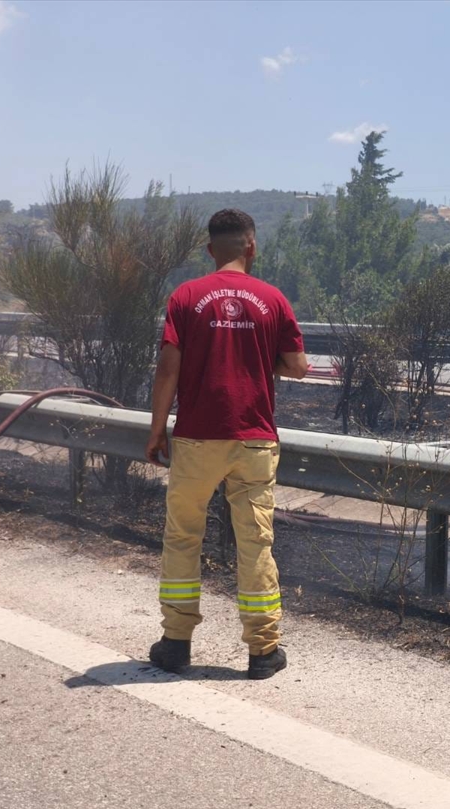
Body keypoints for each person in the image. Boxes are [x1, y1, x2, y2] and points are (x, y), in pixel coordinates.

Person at [144, 209, 309, 680]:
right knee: (255, 542)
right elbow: (297, 365)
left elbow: (167, 369)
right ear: (251, 246)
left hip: (196, 437)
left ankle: (176, 644)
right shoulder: (273, 299)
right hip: (253, 438)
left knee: (182, 536)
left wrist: (158, 430)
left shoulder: (186, 296)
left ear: (210, 249)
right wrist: (261, 361)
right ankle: (263, 651)